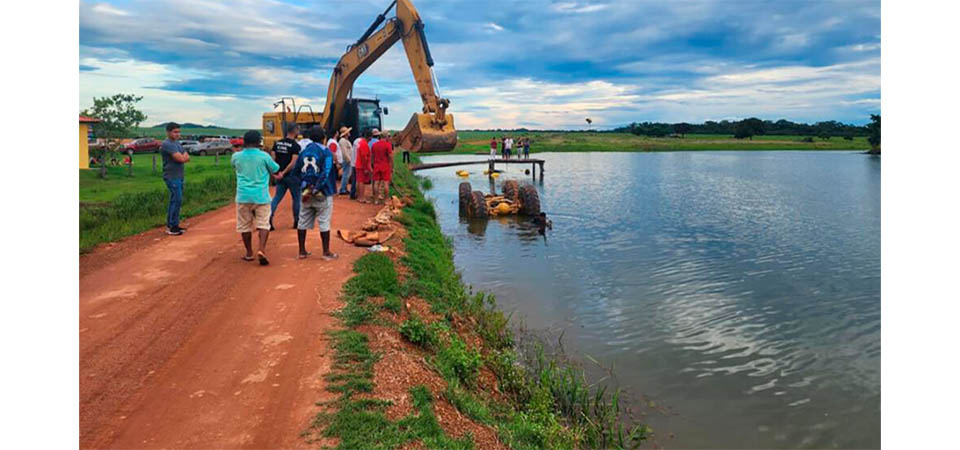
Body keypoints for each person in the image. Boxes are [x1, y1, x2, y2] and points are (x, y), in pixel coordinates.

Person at [231, 130, 280, 265]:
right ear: (259, 142)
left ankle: (248, 253)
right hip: (261, 196)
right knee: (264, 224)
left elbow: (234, 166)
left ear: (244, 142)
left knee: (244, 225)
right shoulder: (264, 156)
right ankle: (261, 249)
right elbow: (275, 169)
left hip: (243, 195)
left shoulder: (236, 156)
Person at [296, 126, 338, 261]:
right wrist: (316, 188)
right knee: (324, 221)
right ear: (323, 137)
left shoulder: (304, 152)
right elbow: (326, 171)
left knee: (302, 221)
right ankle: (326, 252)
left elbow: (296, 171)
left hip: (305, 192)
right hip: (322, 192)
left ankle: (302, 251)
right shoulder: (326, 152)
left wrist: (306, 187)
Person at [269, 123, 302, 230]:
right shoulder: (295, 146)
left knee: (276, 198)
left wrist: (276, 173)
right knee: (296, 199)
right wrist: (284, 172)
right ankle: (297, 221)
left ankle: (268, 218)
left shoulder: (277, 144)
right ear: (295, 130)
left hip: (279, 176)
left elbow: (272, 159)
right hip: (292, 176)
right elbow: (293, 162)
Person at [161, 122, 190, 235]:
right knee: (176, 199)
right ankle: (172, 226)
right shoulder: (167, 144)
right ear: (168, 132)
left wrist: (183, 157)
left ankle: (174, 224)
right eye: (175, 132)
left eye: (179, 132)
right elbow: (181, 159)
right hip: (171, 176)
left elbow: (187, 156)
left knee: (176, 200)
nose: (178, 134)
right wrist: (183, 157)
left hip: (179, 176)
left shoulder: (176, 143)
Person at [371, 130, 394, 204]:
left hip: (376, 165)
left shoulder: (374, 145)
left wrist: (372, 164)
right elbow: (390, 157)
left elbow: (372, 156)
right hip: (385, 166)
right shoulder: (388, 145)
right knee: (386, 183)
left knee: (376, 183)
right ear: (386, 136)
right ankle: (386, 199)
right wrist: (392, 166)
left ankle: (376, 199)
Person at [354, 128, 373, 203]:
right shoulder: (364, 144)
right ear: (370, 137)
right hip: (362, 166)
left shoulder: (361, 142)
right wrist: (366, 168)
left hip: (359, 164)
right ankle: (361, 197)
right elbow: (364, 157)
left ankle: (359, 196)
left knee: (359, 181)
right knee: (361, 181)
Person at [337, 126, 355, 197]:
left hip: (348, 159)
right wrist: (349, 160)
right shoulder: (343, 141)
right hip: (347, 160)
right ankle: (343, 189)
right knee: (346, 174)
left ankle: (344, 188)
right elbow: (344, 152)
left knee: (347, 174)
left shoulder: (345, 140)